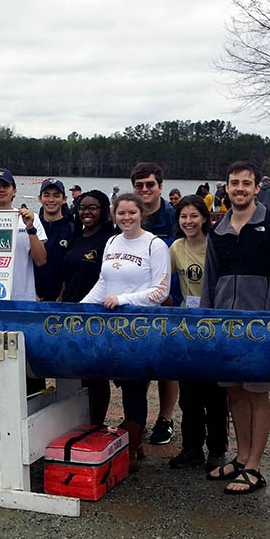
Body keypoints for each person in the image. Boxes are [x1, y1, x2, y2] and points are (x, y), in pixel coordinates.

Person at [201, 161, 270, 494]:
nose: (239, 188)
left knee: (257, 395)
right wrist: (208, 323)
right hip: (226, 327)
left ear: (258, 188)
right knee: (235, 394)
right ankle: (240, 457)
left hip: (259, 328)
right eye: (233, 183)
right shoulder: (218, 230)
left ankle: (255, 466)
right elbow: (210, 281)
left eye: (246, 183)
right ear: (225, 188)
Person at [81, 192, 171, 470]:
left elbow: (161, 290)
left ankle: (133, 446)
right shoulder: (111, 241)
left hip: (138, 327)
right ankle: (95, 434)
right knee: (96, 379)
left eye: (132, 213)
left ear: (141, 214)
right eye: (121, 213)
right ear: (114, 215)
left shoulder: (155, 245)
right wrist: (81, 307)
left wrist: (124, 300)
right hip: (108, 325)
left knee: (133, 387)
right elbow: (103, 282)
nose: (126, 218)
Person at [0, 167, 47, 449]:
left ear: (15, 190)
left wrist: (29, 227)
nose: (1, 190)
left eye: (6, 185)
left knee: (29, 366)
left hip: (23, 302)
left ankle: (30, 424)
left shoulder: (29, 219)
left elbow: (41, 260)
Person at [167, 195, 229, 472]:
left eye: (194, 216)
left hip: (214, 326)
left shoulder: (216, 246)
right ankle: (191, 448)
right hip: (187, 326)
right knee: (189, 394)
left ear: (205, 218)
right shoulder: (176, 248)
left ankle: (217, 450)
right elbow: (162, 282)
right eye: (183, 217)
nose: (188, 222)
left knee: (215, 394)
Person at [130, 162, 178, 446]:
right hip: (138, 300)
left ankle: (166, 418)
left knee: (167, 365)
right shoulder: (130, 215)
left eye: (150, 184)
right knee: (140, 363)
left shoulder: (174, 217)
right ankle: (138, 419)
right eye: (139, 185)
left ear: (160, 185)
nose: (145, 190)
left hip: (169, 300)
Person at [60, 190, 115, 426]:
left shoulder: (111, 239)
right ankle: (76, 422)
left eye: (93, 208)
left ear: (103, 211)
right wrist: (60, 301)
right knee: (73, 370)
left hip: (96, 314)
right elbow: (67, 274)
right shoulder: (76, 236)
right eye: (83, 207)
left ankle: (96, 424)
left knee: (95, 374)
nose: (87, 212)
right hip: (71, 309)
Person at [35, 178, 73, 301]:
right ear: (39, 198)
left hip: (61, 300)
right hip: (32, 297)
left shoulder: (73, 229)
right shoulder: (31, 227)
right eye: (47, 195)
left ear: (64, 199)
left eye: (56, 196)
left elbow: (73, 268)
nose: (51, 200)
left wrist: (62, 295)